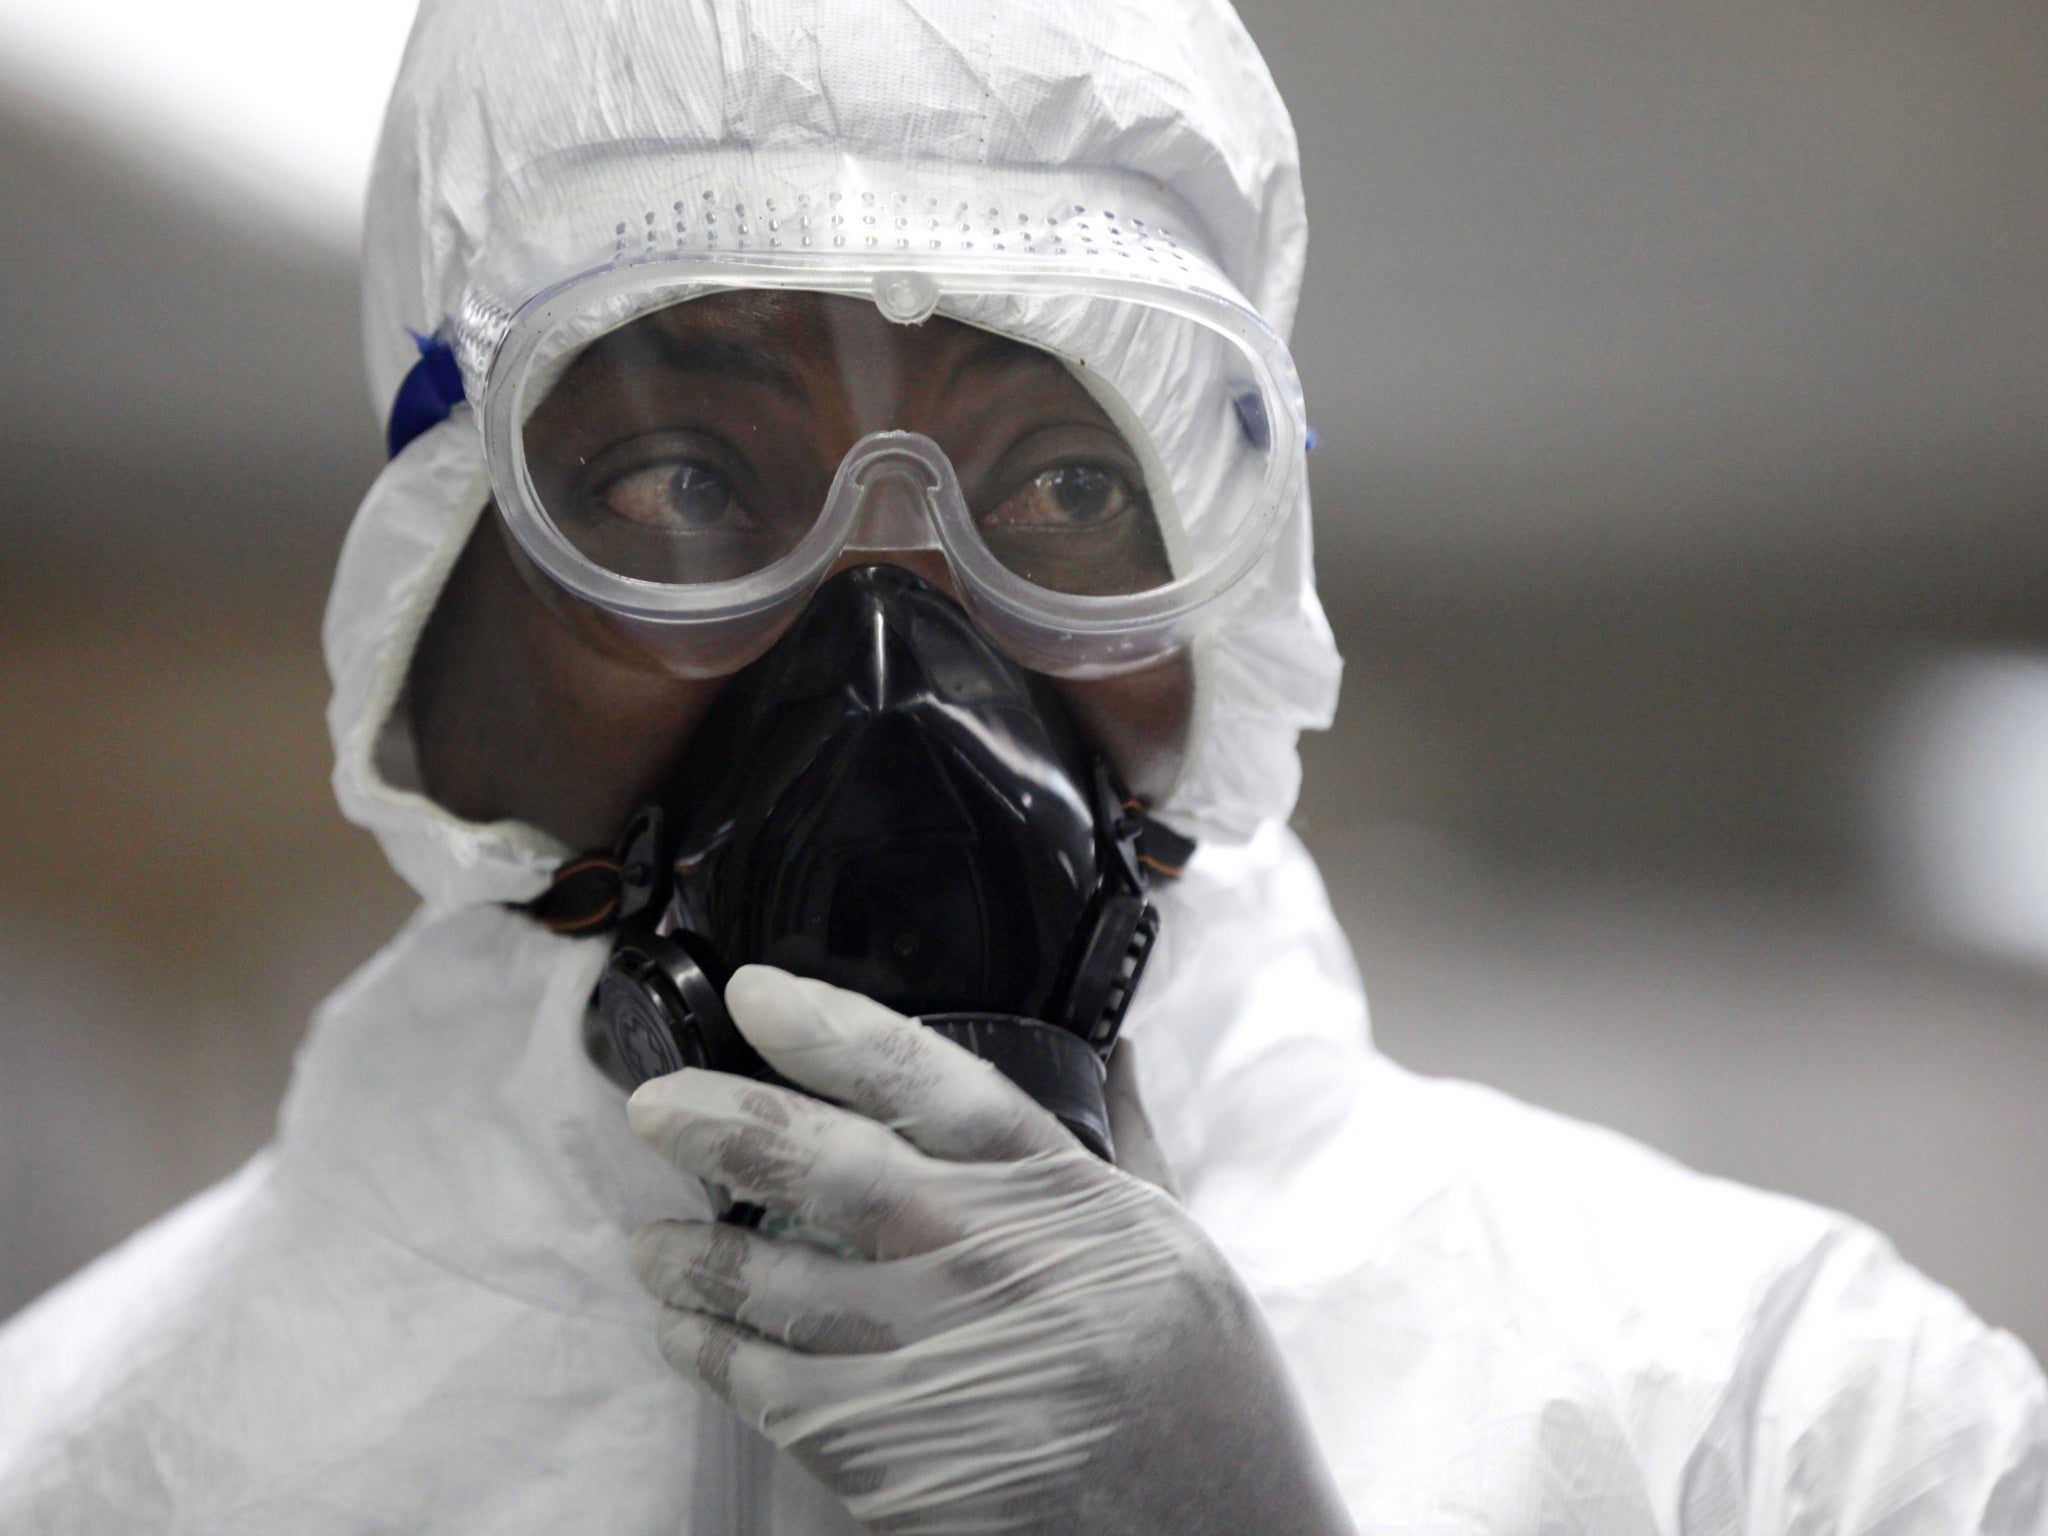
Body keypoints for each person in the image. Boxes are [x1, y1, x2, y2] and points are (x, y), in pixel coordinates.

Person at [1, 0, 2042, 1530]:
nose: (892, 648)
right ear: (442, 614)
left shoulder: (1778, 1423)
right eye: (687, 478)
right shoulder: (111, 1467)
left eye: (1062, 483)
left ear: (1218, 614)